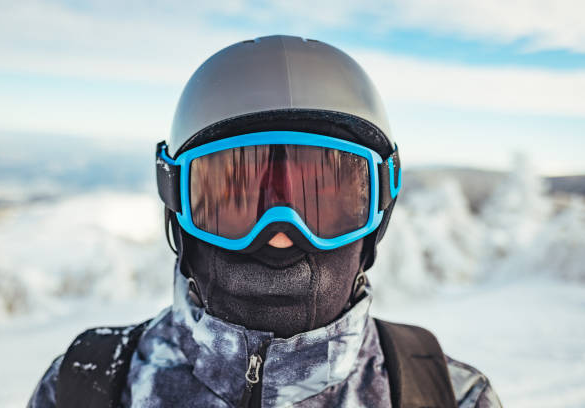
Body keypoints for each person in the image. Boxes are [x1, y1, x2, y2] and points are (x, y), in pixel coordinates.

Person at [28, 35, 502, 408]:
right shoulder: (88, 386)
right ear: (176, 201)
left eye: (323, 199)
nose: (279, 233)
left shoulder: (444, 395)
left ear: (378, 210)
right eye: (236, 199)